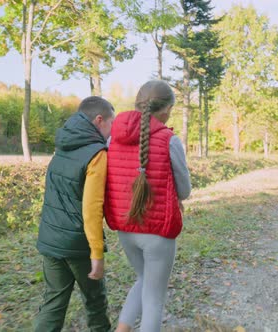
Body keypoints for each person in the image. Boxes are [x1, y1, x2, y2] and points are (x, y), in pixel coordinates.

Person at [104, 80, 192, 332]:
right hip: (157, 232)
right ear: (165, 110)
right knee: (154, 299)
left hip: (125, 228)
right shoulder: (169, 140)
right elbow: (184, 191)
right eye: (172, 108)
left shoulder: (113, 139)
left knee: (144, 280)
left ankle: (122, 329)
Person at [34, 96, 115, 332]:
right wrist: (97, 254)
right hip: (78, 242)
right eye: (111, 123)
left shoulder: (64, 144)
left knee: (53, 302)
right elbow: (91, 209)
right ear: (99, 120)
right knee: (95, 302)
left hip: (50, 237)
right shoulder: (96, 154)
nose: (111, 132)